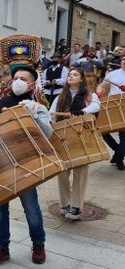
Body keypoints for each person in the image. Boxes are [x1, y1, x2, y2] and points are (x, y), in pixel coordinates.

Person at [0, 66, 51, 266]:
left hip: (25, 164)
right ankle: (1, 247)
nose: (18, 81)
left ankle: (38, 244)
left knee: (31, 207)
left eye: (23, 78)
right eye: (15, 78)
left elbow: (48, 134)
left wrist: (33, 116)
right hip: (0, 162)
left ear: (32, 84)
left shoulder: (38, 107)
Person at [49, 67, 100, 219]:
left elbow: (96, 106)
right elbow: (52, 114)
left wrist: (82, 112)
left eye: (75, 74)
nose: (71, 76)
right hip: (63, 136)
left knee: (80, 171)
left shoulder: (89, 95)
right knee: (62, 171)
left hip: (82, 136)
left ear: (82, 79)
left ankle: (76, 207)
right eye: (70, 74)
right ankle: (64, 204)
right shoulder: (60, 96)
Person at [98, 55, 125, 170]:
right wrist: (99, 92)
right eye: (124, 59)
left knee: (124, 135)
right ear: (121, 62)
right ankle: (118, 152)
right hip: (112, 106)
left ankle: (118, 158)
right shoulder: (112, 74)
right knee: (104, 131)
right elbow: (101, 86)